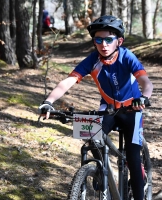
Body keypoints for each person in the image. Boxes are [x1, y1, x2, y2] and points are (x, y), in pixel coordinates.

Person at [38, 15, 153, 199]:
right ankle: (100, 171)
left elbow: (146, 83)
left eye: (109, 39)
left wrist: (144, 98)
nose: (103, 44)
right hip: (107, 108)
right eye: (98, 39)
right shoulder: (93, 60)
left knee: (132, 156)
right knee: (91, 137)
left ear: (119, 41)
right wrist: (48, 101)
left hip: (132, 110)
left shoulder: (126, 56)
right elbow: (68, 81)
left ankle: (139, 184)